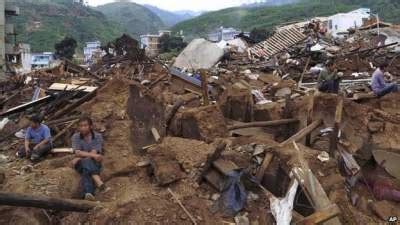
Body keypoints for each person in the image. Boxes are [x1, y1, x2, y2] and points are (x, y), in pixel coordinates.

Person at [70, 116, 109, 200]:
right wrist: (93, 156)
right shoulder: (75, 137)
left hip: (92, 161)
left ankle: (88, 193)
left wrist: (81, 157)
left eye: (85, 125)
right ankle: (98, 181)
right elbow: (78, 152)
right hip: (83, 162)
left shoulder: (97, 136)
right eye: (81, 126)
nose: (83, 128)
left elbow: (94, 151)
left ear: (90, 126)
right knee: (87, 162)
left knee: (86, 167)